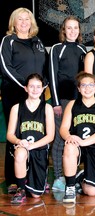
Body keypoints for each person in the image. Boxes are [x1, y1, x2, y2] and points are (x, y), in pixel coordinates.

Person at [0, 7, 48, 193]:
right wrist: (25, 85)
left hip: (36, 94)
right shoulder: (8, 41)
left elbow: (45, 67)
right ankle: (14, 179)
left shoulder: (38, 42)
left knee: (37, 134)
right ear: (14, 22)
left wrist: (42, 84)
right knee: (16, 135)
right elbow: (5, 67)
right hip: (15, 93)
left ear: (32, 22)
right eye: (20, 19)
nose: (23, 23)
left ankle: (37, 177)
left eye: (27, 19)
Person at [60, 71, 95, 203]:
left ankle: (80, 177)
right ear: (78, 88)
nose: (87, 88)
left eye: (90, 85)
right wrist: (69, 137)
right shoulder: (72, 104)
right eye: (83, 85)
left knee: (91, 192)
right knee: (69, 147)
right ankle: (70, 186)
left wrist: (84, 142)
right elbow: (64, 129)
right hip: (77, 145)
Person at [49, 15, 87, 192]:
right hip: (62, 101)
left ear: (79, 31)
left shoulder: (83, 50)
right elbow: (52, 76)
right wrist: (56, 102)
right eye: (69, 28)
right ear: (64, 30)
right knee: (59, 139)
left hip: (79, 102)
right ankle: (58, 177)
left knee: (76, 139)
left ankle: (73, 174)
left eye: (75, 28)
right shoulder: (57, 49)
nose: (72, 31)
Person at [6, 73, 55, 204]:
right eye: (31, 86)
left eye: (38, 87)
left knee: (36, 195)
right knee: (21, 153)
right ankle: (20, 189)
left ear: (43, 88)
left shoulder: (47, 108)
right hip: (22, 148)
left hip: (39, 150)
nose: (35, 90)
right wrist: (18, 142)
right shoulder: (16, 108)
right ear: (25, 88)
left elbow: (50, 136)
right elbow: (10, 134)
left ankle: (33, 182)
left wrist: (32, 146)